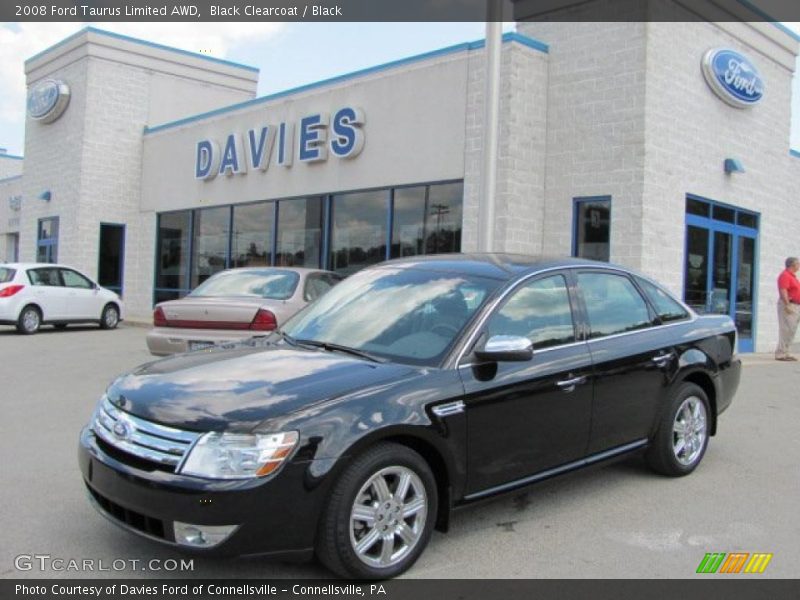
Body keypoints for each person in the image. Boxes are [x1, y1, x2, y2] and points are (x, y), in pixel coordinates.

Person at [775, 256, 800, 361]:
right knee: (786, 329)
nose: (799, 266)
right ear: (792, 265)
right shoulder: (785, 275)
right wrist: (787, 304)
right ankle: (780, 353)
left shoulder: (793, 277)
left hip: (796, 305)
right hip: (789, 305)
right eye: (798, 263)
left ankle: (786, 352)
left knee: (792, 330)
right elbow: (783, 290)